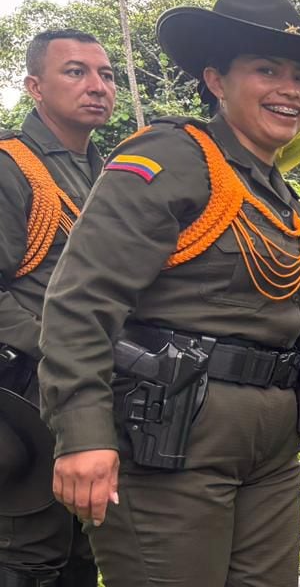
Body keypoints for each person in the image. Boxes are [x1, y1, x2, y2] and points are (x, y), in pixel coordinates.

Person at [36, 0, 300, 587]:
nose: (292, 90)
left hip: (273, 446)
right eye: (267, 69)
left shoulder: (283, 199)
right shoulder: (172, 158)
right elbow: (82, 300)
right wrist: (83, 434)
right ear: (216, 80)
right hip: (173, 439)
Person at [0, 29, 114, 587]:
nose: (96, 86)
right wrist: (54, 344)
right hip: (24, 390)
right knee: (28, 552)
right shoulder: (10, 166)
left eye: (107, 74)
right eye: (75, 71)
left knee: (85, 549)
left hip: (91, 388)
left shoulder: (107, 173)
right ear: (35, 87)